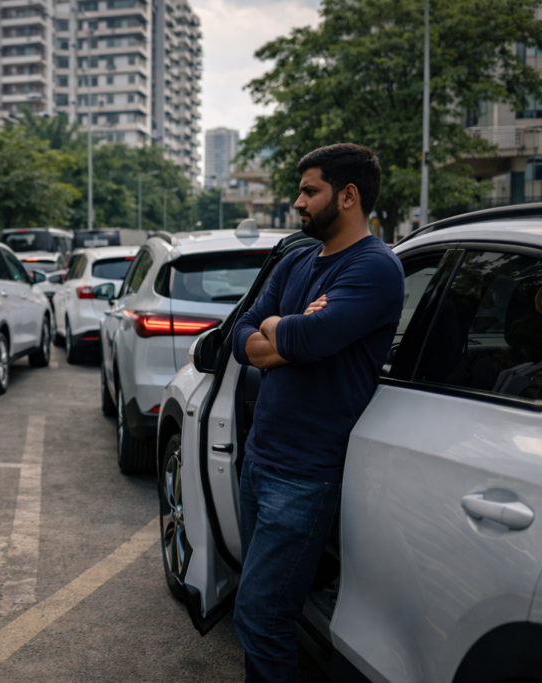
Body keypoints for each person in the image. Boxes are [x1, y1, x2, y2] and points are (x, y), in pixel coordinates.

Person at [230, 143, 405, 682]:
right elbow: (240, 335)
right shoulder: (298, 260)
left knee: (262, 616)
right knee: (261, 605)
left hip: (304, 476)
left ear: (348, 196)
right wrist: (286, 333)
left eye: (310, 191)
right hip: (259, 460)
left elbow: (314, 335)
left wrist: (283, 331)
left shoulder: (376, 267)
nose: (297, 203)